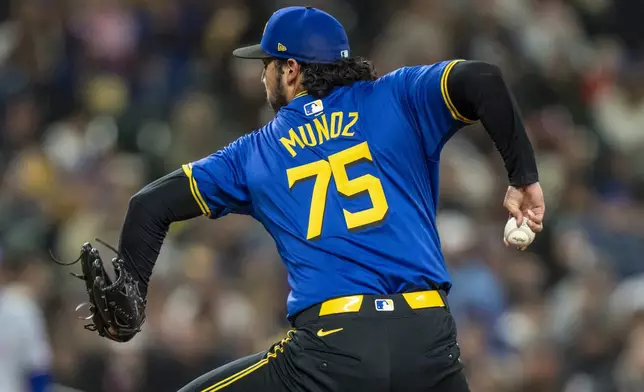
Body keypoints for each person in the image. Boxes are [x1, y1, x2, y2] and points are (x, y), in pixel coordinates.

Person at [116, 6, 545, 392]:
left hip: (335, 351)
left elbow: (149, 206)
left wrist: (131, 292)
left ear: (290, 70)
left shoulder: (253, 153)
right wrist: (522, 177)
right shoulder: (397, 96)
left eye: (265, 64)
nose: (260, 75)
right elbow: (482, 78)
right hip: (427, 340)